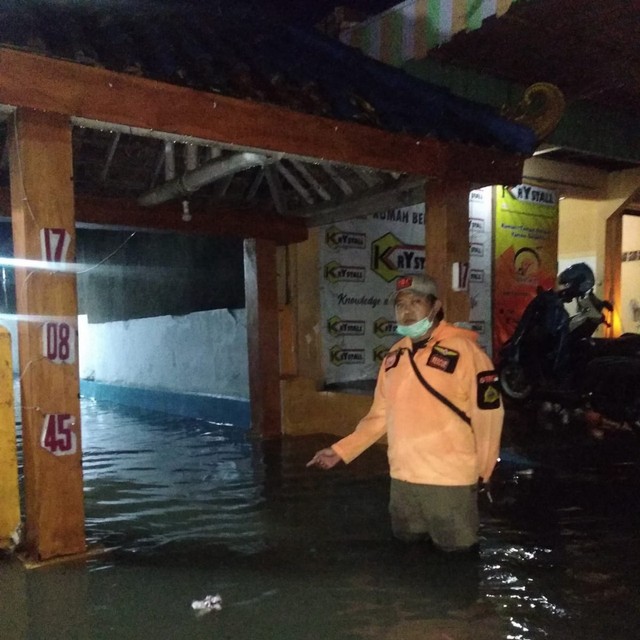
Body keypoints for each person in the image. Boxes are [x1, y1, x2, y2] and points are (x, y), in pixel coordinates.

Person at [307, 274, 504, 552]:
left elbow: (489, 416)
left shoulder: (467, 354)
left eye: (416, 302)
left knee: (457, 561)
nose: (407, 310)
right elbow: (379, 417)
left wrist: (484, 472)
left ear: (435, 307)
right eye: (400, 304)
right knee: (409, 554)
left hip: (448, 482)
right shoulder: (393, 357)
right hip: (403, 481)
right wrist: (340, 450)